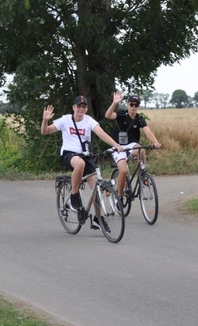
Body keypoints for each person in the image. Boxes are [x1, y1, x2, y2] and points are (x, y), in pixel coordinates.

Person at [41, 95, 123, 229]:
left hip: (85, 155)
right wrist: (45, 121)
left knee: (96, 186)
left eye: (84, 107)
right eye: (79, 106)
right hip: (69, 154)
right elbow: (45, 131)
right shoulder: (65, 120)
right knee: (79, 164)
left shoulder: (89, 121)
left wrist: (116, 145)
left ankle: (98, 218)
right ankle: (74, 195)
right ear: (74, 107)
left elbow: (101, 134)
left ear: (86, 109)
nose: (81, 109)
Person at [104, 91, 161, 200]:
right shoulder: (121, 114)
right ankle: (119, 196)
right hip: (118, 146)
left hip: (131, 145)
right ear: (128, 105)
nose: (134, 107)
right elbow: (108, 115)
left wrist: (155, 142)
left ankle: (143, 175)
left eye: (136, 105)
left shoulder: (139, 119)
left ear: (138, 106)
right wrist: (114, 103)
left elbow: (148, 131)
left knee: (141, 150)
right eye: (132, 104)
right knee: (124, 171)